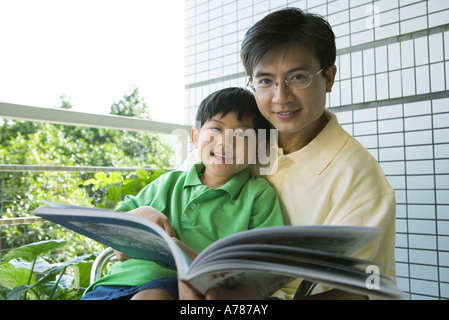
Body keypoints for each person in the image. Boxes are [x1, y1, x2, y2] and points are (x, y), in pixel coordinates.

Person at [179, 8, 396, 300]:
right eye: (266, 81)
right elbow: (176, 192)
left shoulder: (359, 179)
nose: (281, 97)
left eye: (298, 77)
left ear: (329, 78)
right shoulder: (234, 143)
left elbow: (361, 290)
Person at [81, 87, 284, 300]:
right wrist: (140, 214)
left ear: (260, 148)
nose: (225, 142)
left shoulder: (258, 195)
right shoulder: (169, 183)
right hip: (113, 284)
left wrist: (184, 253)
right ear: (196, 137)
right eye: (216, 129)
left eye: (242, 135)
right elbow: (114, 232)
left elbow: (263, 266)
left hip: (175, 288)